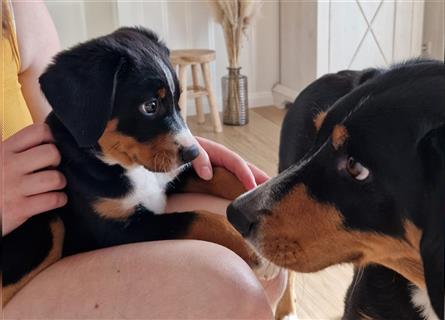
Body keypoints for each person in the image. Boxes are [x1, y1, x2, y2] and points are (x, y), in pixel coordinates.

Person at [1, 1, 286, 318]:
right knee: (229, 279)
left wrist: (229, 181)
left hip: (38, 189)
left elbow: (63, 114)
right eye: (151, 108)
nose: (183, 137)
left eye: (173, 105)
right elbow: (119, 228)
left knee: (264, 233)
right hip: (29, 242)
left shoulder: (15, 9)